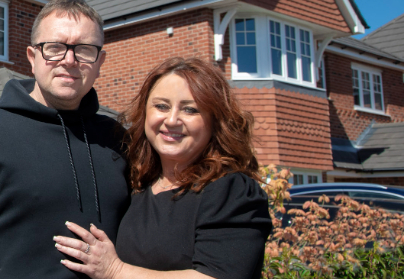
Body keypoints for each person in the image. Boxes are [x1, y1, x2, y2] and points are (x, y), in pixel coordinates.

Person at [0, 0, 130, 278]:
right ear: (33, 58)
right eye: (55, 48)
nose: (69, 60)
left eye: (84, 49)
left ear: (100, 61)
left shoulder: (118, 140)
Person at [54, 57, 273, 279]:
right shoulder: (137, 185)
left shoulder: (231, 190)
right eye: (161, 106)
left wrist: (114, 270)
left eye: (190, 110)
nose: (172, 120)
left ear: (216, 121)